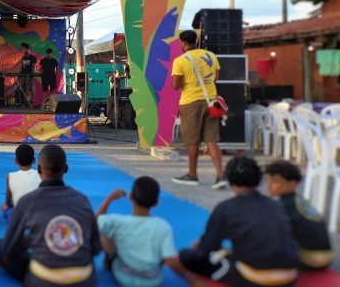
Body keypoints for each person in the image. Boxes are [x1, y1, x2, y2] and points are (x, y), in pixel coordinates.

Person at [179, 156, 299, 287]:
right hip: (290, 275)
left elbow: (208, 247)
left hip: (256, 277)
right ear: (259, 179)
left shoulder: (225, 208)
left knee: (187, 255)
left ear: (230, 181)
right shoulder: (275, 204)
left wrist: (202, 245)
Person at [0, 144, 101, 286]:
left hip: (42, 280)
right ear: (65, 169)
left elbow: (9, 248)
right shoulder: (82, 200)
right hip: (84, 280)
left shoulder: (27, 201)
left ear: (39, 169)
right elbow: (95, 248)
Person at [95, 177, 191, 287]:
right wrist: (189, 276)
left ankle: (109, 263)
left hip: (124, 276)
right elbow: (170, 260)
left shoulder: (118, 221)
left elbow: (94, 222)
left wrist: (109, 199)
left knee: (105, 231)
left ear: (131, 197)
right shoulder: (163, 226)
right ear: (156, 203)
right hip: (152, 280)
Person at [170, 30, 226, 188]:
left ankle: (192, 175)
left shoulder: (180, 61)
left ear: (183, 43)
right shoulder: (211, 56)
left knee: (192, 141)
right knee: (212, 140)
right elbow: (216, 78)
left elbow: (175, 86)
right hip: (211, 102)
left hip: (191, 103)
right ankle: (220, 176)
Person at [264, 160, 334, 270]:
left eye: (276, 181)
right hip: (326, 255)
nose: (269, 186)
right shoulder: (299, 201)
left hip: (309, 259)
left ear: (292, 184)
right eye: (267, 180)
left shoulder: (282, 205)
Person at [1, 144, 41, 220]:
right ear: (34, 160)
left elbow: (8, 202)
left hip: (18, 217)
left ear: (15, 161)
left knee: (3, 206)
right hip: (37, 215)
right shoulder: (41, 174)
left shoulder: (10, 176)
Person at [18, 43, 37, 107]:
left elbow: (34, 66)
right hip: (23, 74)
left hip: (29, 74)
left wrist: (34, 74)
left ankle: (31, 101)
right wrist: (19, 74)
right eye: (23, 49)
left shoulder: (33, 57)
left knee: (29, 88)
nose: (23, 50)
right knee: (22, 87)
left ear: (28, 49)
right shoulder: (23, 57)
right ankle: (25, 100)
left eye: (24, 49)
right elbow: (22, 66)